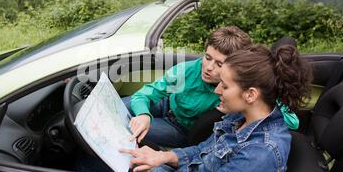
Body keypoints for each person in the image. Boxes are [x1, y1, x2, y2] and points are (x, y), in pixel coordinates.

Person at [118, 44, 313, 172]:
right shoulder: (241, 117)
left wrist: (153, 170)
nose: (217, 90)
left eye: (225, 86)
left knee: (99, 169)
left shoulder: (260, 154)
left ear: (251, 95)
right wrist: (163, 157)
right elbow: (201, 151)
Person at [125, 26, 298, 148]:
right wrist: (143, 114)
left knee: (124, 127)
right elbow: (144, 95)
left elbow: (293, 122)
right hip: (166, 104)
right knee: (112, 108)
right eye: (207, 57)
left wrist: (268, 96)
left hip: (180, 129)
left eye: (219, 63)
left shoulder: (241, 89)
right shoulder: (186, 71)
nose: (208, 67)